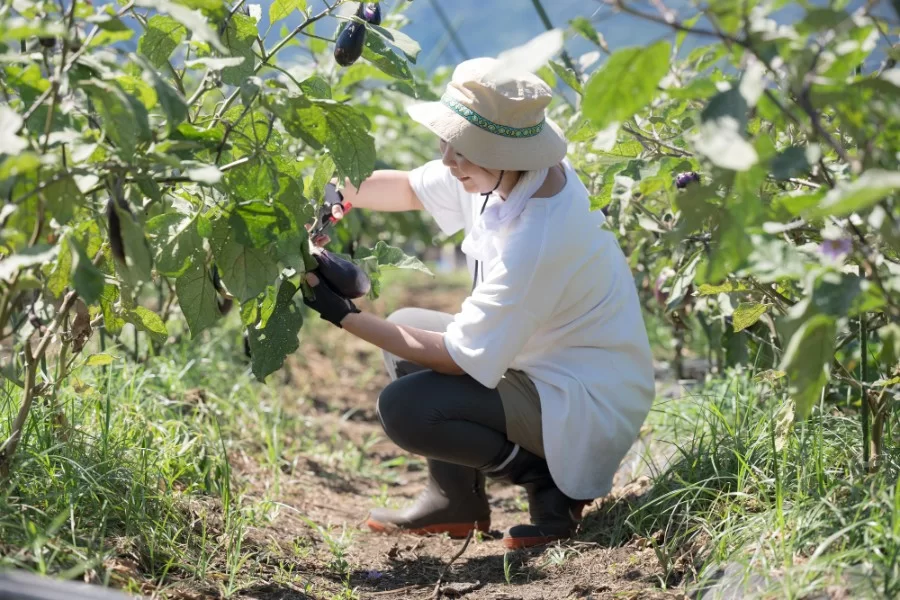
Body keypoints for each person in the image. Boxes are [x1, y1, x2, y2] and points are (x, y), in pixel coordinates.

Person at [302, 57, 656, 549]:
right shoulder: (503, 171)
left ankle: (548, 481)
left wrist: (343, 313)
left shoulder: (541, 235)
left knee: (409, 408)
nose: (449, 159)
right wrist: (338, 193)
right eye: (448, 142)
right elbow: (407, 186)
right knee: (407, 329)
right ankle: (456, 503)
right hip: (542, 365)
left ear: (505, 151)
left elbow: (453, 355)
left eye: (462, 150)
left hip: (583, 398)